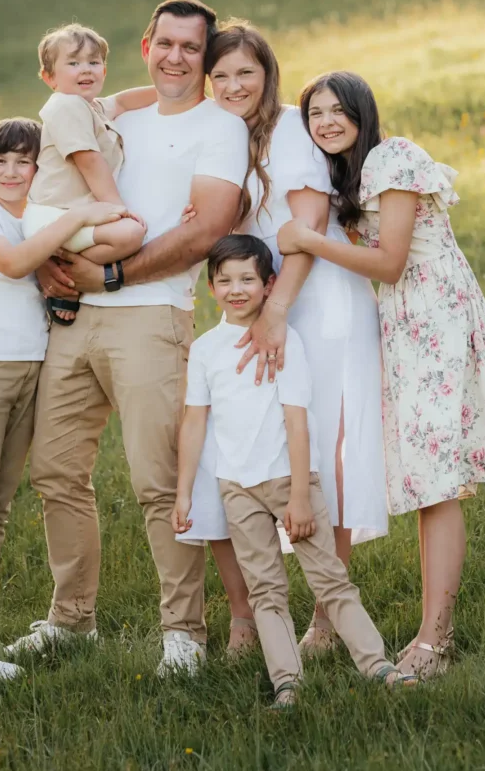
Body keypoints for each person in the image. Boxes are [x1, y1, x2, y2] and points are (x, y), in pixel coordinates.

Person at [1, 0, 249, 676]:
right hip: (72, 317)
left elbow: (205, 230)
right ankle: (70, 620)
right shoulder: (109, 112)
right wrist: (52, 268)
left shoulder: (220, 126)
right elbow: (49, 177)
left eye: (191, 47)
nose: (175, 57)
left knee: (159, 479)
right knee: (55, 471)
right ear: (146, 47)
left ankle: (184, 635)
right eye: (165, 43)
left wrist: (109, 275)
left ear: (205, 57)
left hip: (150, 316)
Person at [278, 72, 485, 677]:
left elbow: (389, 263)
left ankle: (436, 640)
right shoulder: (347, 178)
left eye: (338, 110)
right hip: (401, 330)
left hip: (436, 323)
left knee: (436, 483)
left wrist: (308, 239)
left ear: (363, 113)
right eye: (314, 113)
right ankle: (359, 622)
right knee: (419, 479)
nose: (326, 121)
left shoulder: (393, 158)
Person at [178, 24, 387, 656]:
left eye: (246, 72)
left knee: (320, 448)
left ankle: (327, 616)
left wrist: (276, 312)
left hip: (315, 300)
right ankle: (249, 614)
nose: (232, 86)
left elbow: (309, 224)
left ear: (268, 74)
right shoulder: (229, 133)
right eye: (219, 76)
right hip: (265, 298)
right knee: (240, 443)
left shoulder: (290, 128)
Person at [172, 235, 416, 705]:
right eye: (225, 281)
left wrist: (301, 494)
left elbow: (297, 420)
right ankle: (288, 682)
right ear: (211, 287)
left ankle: (377, 665)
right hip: (237, 488)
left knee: (330, 579)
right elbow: (194, 422)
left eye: (248, 279)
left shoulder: (285, 341)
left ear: (269, 285)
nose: (236, 289)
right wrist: (184, 493)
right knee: (265, 590)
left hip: (289, 479)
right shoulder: (205, 350)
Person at [0, 117, 124, 680]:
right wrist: (79, 216)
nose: (12, 172)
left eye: (24, 162)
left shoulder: (38, 218)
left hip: (31, 370)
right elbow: (15, 263)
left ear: (39, 169)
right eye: (1, 161)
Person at [23, 21, 155, 323]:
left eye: (94, 63)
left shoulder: (91, 107)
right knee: (130, 234)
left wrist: (181, 93)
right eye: (73, 63)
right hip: (53, 216)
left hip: (74, 215)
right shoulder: (65, 106)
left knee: (128, 235)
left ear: (104, 71)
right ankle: (68, 278)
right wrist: (117, 210)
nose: (86, 69)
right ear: (50, 77)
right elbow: (90, 162)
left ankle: (61, 271)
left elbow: (122, 101)